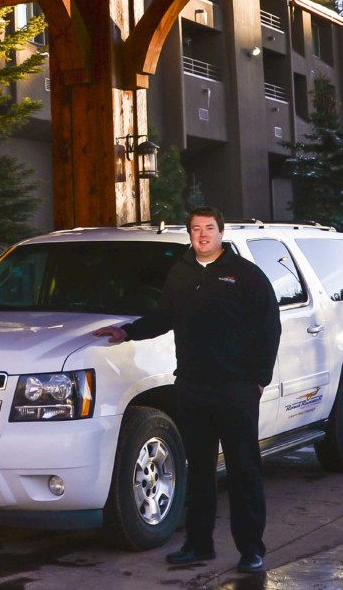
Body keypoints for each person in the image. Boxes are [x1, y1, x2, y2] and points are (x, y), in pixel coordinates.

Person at [93, 206, 281, 575]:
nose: (202, 235)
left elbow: (269, 326)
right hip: (193, 388)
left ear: (220, 232)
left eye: (209, 228)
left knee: (244, 470)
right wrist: (127, 331)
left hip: (235, 389)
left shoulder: (246, 274)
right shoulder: (180, 273)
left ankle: (251, 550)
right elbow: (164, 317)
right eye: (196, 229)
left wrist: (259, 377)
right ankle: (198, 545)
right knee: (198, 472)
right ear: (190, 234)